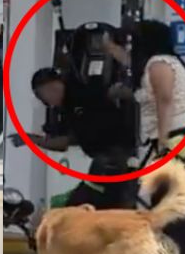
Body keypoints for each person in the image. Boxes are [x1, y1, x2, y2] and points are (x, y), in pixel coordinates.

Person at [103, 20, 185, 254]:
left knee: (174, 206)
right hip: (181, 139)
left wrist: (164, 144)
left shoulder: (159, 64)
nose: (130, 46)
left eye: (133, 40)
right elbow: (135, 67)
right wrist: (110, 48)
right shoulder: (157, 62)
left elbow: (164, 100)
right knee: (172, 206)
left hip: (181, 140)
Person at [20, 67, 138, 210]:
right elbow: (65, 142)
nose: (47, 101)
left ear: (51, 88)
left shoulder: (81, 92)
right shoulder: (68, 107)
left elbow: (112, 92)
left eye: (43, 95)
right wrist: (33, 140)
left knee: (80, 208)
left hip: (113, 157)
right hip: (104, 159)